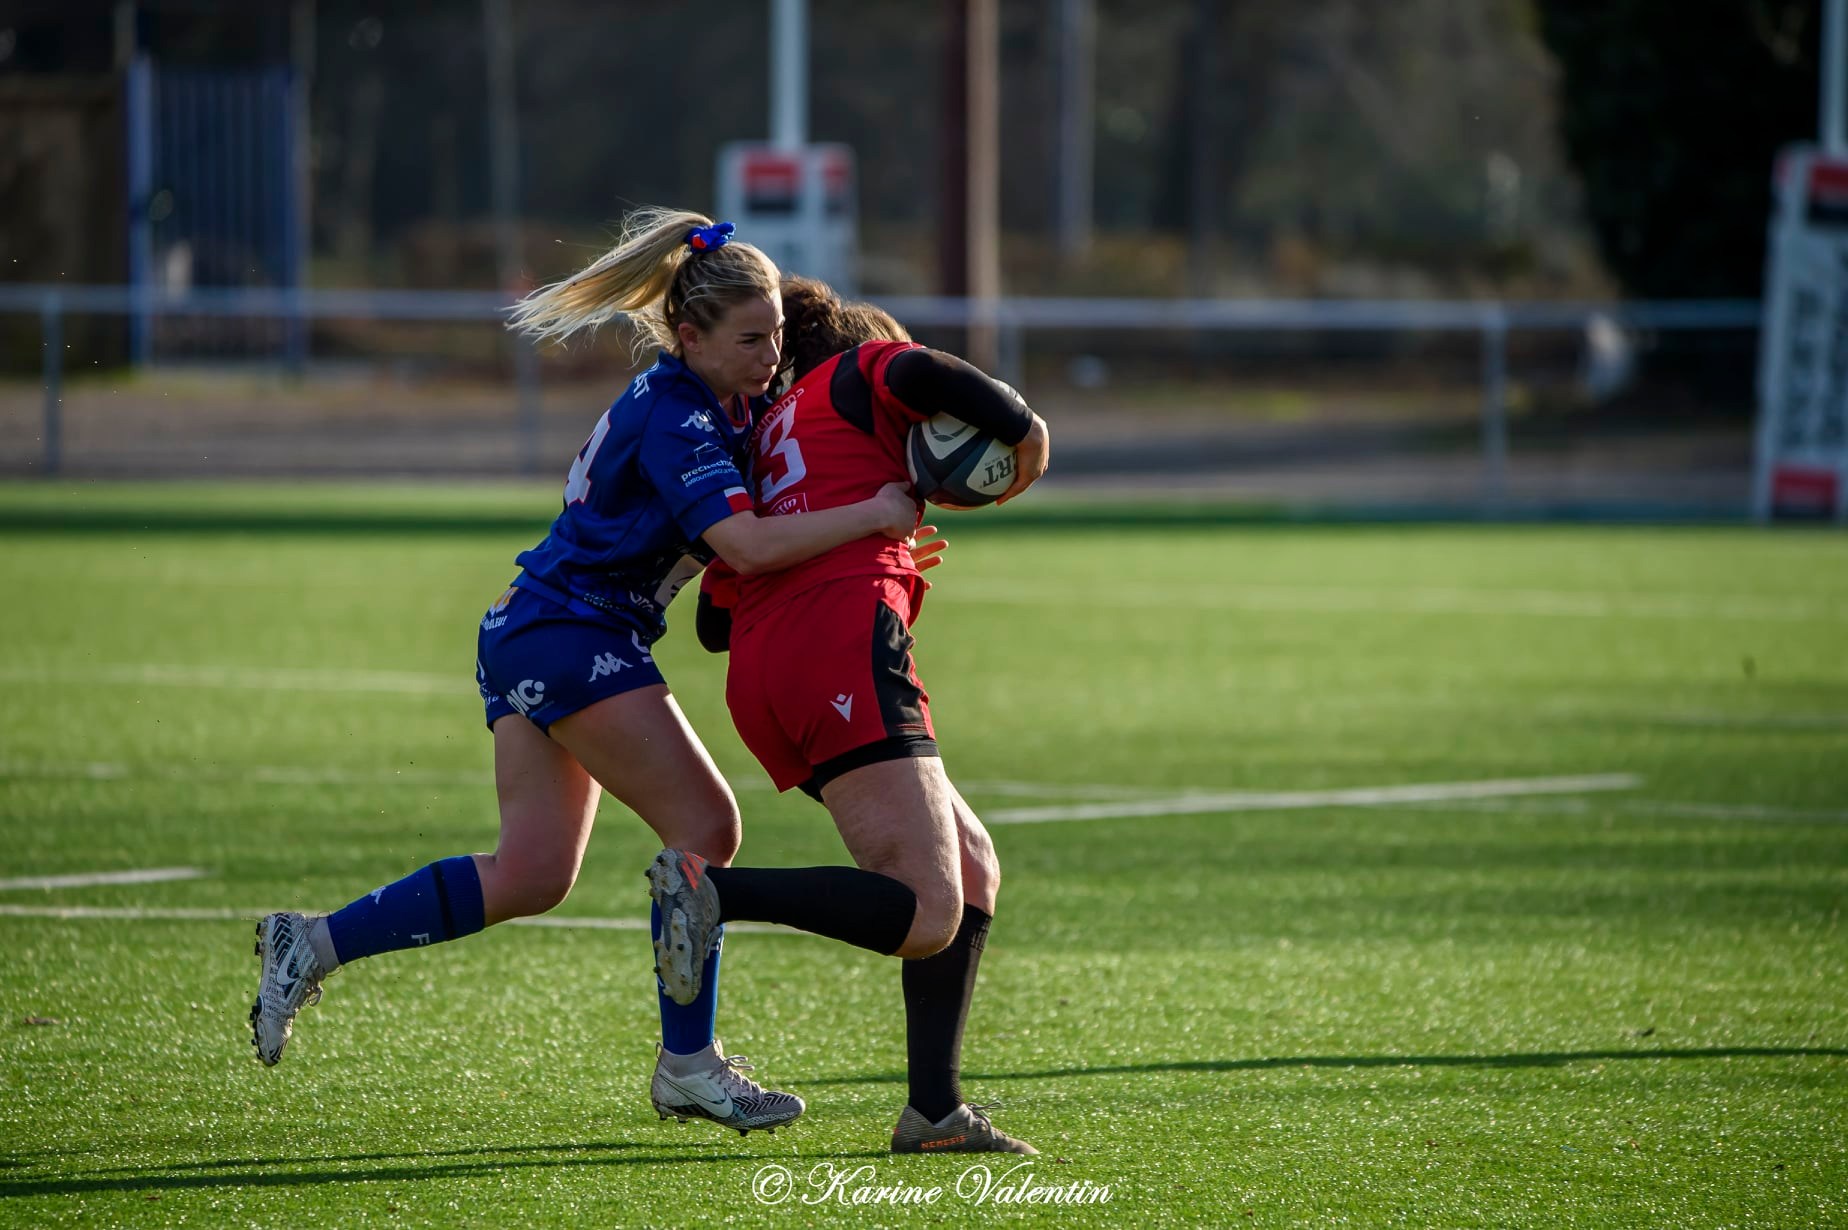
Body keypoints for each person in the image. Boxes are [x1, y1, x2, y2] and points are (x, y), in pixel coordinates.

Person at [246, 210, 923, 1138]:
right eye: (752, 337)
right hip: (571, 632)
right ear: (690, 337)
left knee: (531, 873)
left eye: (775, 333)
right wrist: (875, 514)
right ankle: (689, 1064)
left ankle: (311, 941)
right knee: (706, 827)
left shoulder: (719, 395)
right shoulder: (679, 413)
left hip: (535, 629)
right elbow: (746, 545)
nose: (772, 354)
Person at [646, 275, 1051, 1154]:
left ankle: (934, 1113)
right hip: (837, 649)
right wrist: (1028, 440)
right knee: (927, 910)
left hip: (768, 677)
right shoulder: (863, 369)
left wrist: (874, 540)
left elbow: (714, 623)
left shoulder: (773, 446)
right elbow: (941, 378)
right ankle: (710, 892)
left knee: (972, 866)